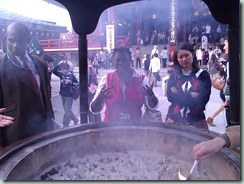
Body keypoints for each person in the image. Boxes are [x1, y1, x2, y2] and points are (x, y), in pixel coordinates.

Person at [0, 22, 55, 148]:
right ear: (5, 39)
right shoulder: (1, 66)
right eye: (11, 40)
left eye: (20, 41)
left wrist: (51, 121)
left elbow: (46, 96)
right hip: (17, 134)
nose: (15, 45)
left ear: (28, 40)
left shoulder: (40, 64)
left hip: (44, 129)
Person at [90, 48, 159, 122]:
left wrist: (151, 95)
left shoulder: (142, 80)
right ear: (113, 62)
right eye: (117, 60)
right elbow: (94, 110)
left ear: (130, 61)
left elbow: (153, 107)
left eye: (124, 60)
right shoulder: (106, 79)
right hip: (109, 128)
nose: (120, 63)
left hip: (135, 128)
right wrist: (100, 97)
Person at [165, 42, 211, 129]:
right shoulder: (173, 76)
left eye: (186, 55)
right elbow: (170, 98)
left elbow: (203, 100)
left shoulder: (203, 75)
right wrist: (191, 95)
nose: (184, 59)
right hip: (174, 119)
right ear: (177, 59)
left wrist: (178, 93)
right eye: (180, 57)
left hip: (196, 121)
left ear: (193, 55)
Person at [52, 62, 79, 127]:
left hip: (69, 96)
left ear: (68, 69)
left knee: (67, 111)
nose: (63, 71)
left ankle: (65, 124)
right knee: (67, 110)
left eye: (65, 69)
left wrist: (71, 82)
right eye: (62, 69)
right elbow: (54, 71)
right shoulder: (61, 75)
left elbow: (77, 84)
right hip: (62, 94)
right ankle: (75, 120)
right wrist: (58, 64)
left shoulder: (72, 76)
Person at [87, 58, 101, 122]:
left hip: (89, 90)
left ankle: (92, 122)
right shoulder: (93, 69)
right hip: (94, 89)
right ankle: (98, 121)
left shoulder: (88, 69)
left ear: (89, 60)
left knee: (90, 108)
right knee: (95, 105)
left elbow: (87, 81)